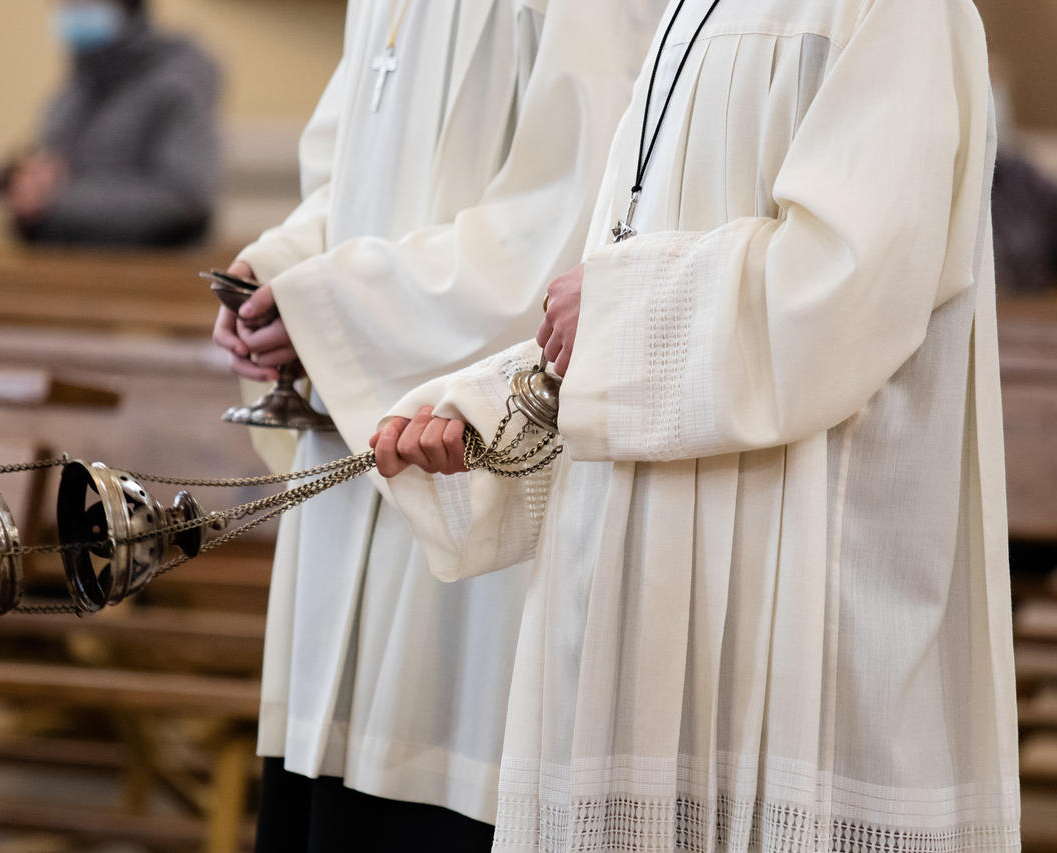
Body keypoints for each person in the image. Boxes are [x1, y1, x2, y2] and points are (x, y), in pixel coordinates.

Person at [373, 0, 1021, 849]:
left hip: (793, 615)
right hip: (623, 601)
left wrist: (611, 312)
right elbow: (622, 270)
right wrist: (494, 407)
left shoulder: (897, 11)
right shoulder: (689, 11)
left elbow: (849, 289)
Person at [212, 1, 664, 849]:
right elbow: (349, 183)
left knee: (416, 783)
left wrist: (328, 302)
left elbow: (559, 237)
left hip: (464, 478)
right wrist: (280, 271)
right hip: (345, 478)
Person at [10, 0, 220, 247]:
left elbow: (184, 199)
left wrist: (56, 202)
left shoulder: (177, 83)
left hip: (152, 272)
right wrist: (24, 188)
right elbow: (47, 173)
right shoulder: (74, 91)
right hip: (66, 262)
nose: (69, 10)